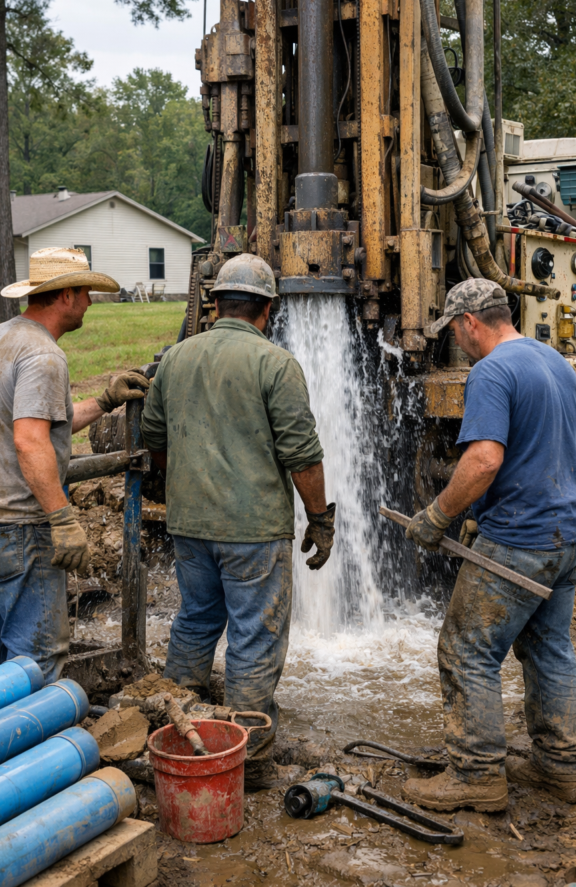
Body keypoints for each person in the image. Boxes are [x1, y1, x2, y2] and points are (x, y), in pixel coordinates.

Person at [141, 253, 335, 788]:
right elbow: (303, 456)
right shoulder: (275, 364)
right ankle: (250, 757)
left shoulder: (176, 359)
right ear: (267, 309)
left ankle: (178, 732)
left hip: (189, 525)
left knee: (196, 620)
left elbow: (155, 442)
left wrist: (194, 484)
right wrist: (320, 519)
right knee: (254, 636)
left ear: (215, 303)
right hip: (254, 532)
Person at [403, 278, 576, 812]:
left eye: (455, 332)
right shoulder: (554, 361)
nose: (456, 343)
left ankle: (475, 772)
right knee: (547, 646)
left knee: (466, 648)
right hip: (569, 535)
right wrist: (479, 515)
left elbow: (484, 460)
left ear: (469, 323)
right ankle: (562, 768)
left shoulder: (490, 371)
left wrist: (438, 515)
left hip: (522, 539)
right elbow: (545, 450)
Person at [0, 247, 150, 683]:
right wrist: (61, 517)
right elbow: (30, 440)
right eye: (87, 293)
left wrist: (104, 400)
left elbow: (42, 421)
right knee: (34, 660)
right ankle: (33, 743)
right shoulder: (44, 356)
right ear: (66, 295)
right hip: (13, 526)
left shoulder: (1, 336)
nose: (91, 302)